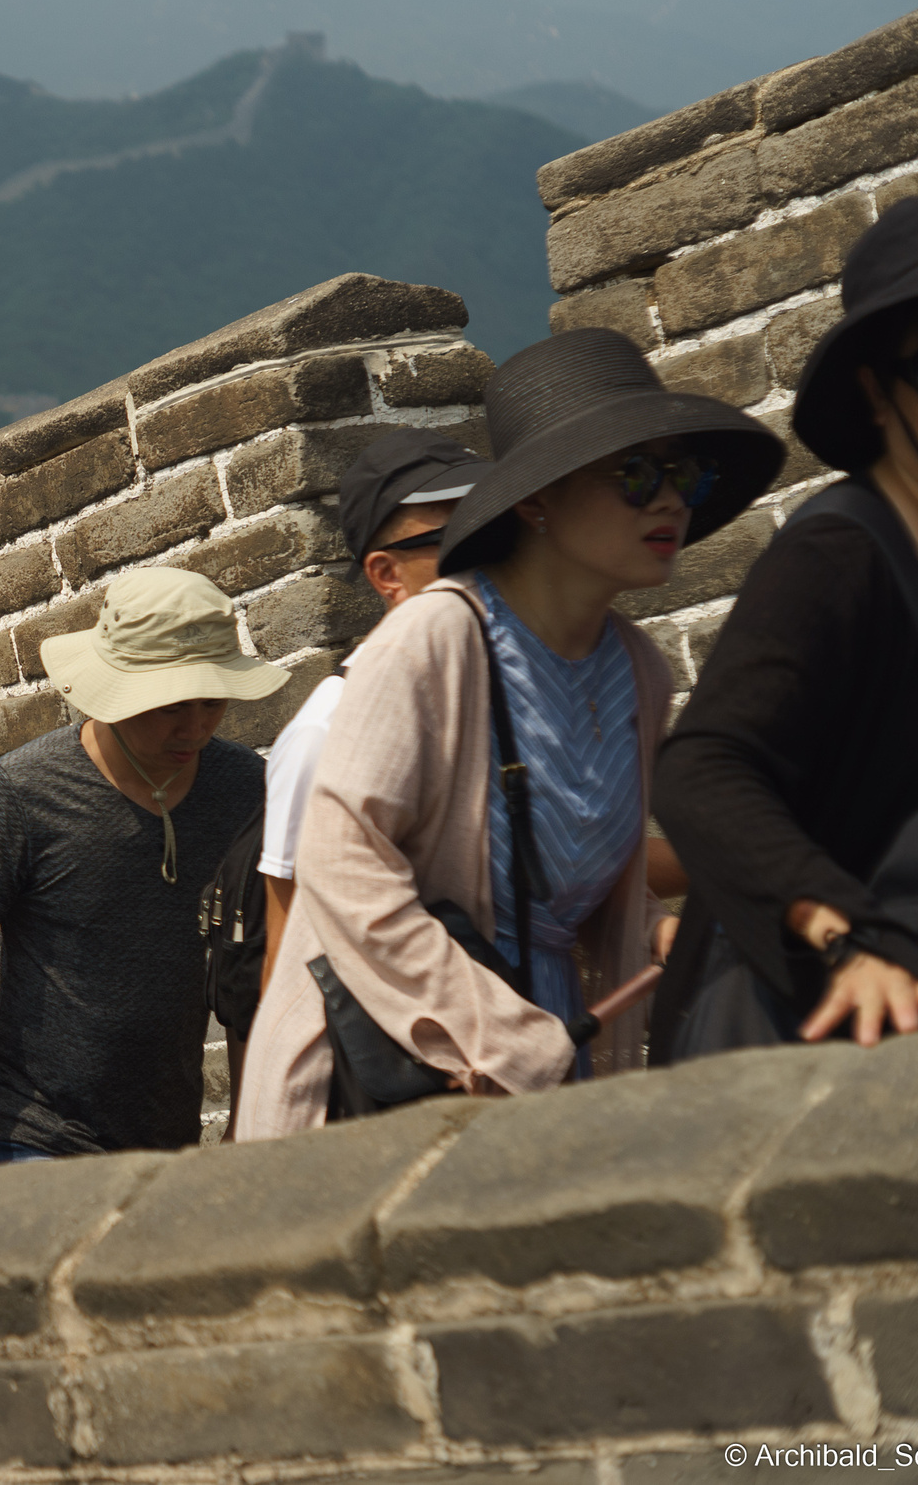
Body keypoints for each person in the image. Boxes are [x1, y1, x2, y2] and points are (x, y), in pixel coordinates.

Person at [236, 327, 783, 1138]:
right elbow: (341, 866)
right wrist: (498, 1034)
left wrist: (656, 932)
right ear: (538, 500)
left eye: (684, 474)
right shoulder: (434, 637)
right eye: (636, 473)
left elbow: (581, 890)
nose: (671, 499)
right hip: (395, 1073)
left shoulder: (638, 670)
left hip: (545, 1052)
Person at [655, 193, 918, 1052]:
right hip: (855, 1028)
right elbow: (703, 771)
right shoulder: (839, 558)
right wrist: (850, 936)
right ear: (879, 393)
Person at [0, 568, 278, 1161]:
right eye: (170, 706)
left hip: (168, 1139)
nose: (194, 727)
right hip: (30, 1133)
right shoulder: (25, 790)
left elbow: (255, 963)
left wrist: (249, 1119)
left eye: (212, 702)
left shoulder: (247, 790)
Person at [259, 430, 487, 987]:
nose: (492, 556)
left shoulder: (504, 694)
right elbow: (288, 949)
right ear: (388, 575)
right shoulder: (326, 732)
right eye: (458, 539)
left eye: (496, 527)